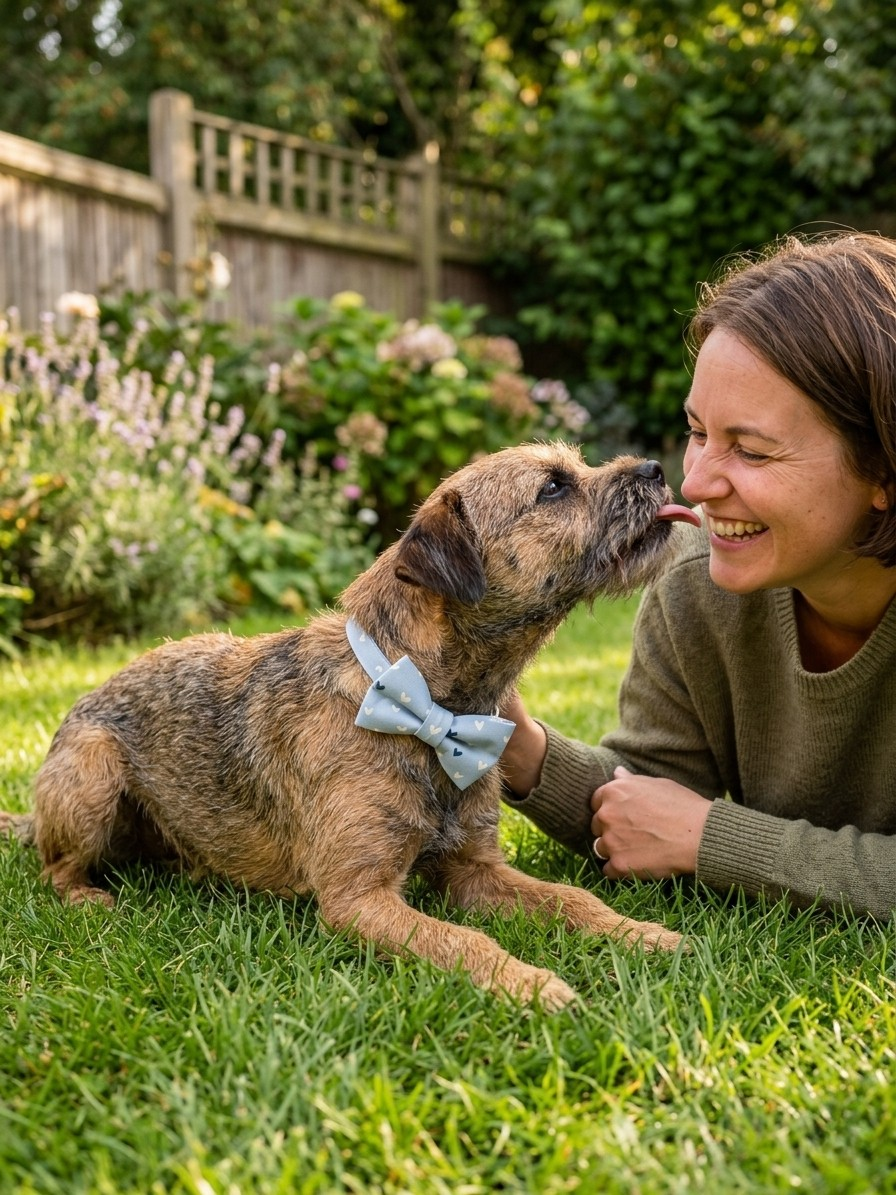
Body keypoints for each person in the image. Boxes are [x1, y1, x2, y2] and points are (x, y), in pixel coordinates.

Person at [500, 231, 896, 921]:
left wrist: (716, 840)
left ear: (883, 469)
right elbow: (650, 801)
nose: (698, 481)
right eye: (697, 430)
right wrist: (516, 746)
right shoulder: (696, 583)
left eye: (751, 449)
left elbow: (689, 829)